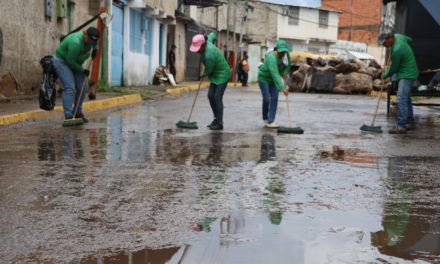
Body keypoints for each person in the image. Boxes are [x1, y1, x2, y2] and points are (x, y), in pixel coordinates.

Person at [52, 27, 100, 126]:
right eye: (89, 40)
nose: (90, 43)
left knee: (83, 86)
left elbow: (95, 44)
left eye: (93, 42)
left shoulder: (92, 40)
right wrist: (83, 70)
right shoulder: (76, 43)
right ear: (85, 33)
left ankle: (77, 113)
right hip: (63, 62)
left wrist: (95, 49)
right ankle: (68, 116)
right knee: (70, 87)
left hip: (75, 62)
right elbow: (71, 61)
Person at [189, 34, 232, 130]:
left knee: (217, 97)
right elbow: (212, 35)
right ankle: (216, 118)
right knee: (210, 95)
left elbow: (209, 70)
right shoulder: (206, 41)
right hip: (215, 76)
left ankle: (220, 123)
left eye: (198, 48)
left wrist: (203, 74)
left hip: (223, 74)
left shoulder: (209, 55)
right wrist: (215, 35)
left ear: (203, 45)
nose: (197, 51)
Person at [381, 32, 419, 134]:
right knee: (406, 98)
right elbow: (410, 39)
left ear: (390, 39)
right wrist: (407, 51)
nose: (385, 45)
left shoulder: (397, 50)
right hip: (410, 72)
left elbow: (394, 68)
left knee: (401, 98)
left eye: (385, 43)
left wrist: (385, 75)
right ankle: (410, 122)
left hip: (407, 74)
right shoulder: (399, 36)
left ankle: (401, 125)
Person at [257, 40, 291, 128]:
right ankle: (265, 118)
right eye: (281, 51)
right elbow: (275, 74)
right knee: (267, 98)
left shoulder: (286, 55)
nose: (283, 53)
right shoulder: (271, 57)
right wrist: (282, 88)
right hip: (264, 78)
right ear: (276, 49)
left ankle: (271, 121)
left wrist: (284, 73)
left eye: (284, 51)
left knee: (275, 99)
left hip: (274, 80)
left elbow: (288, 66)